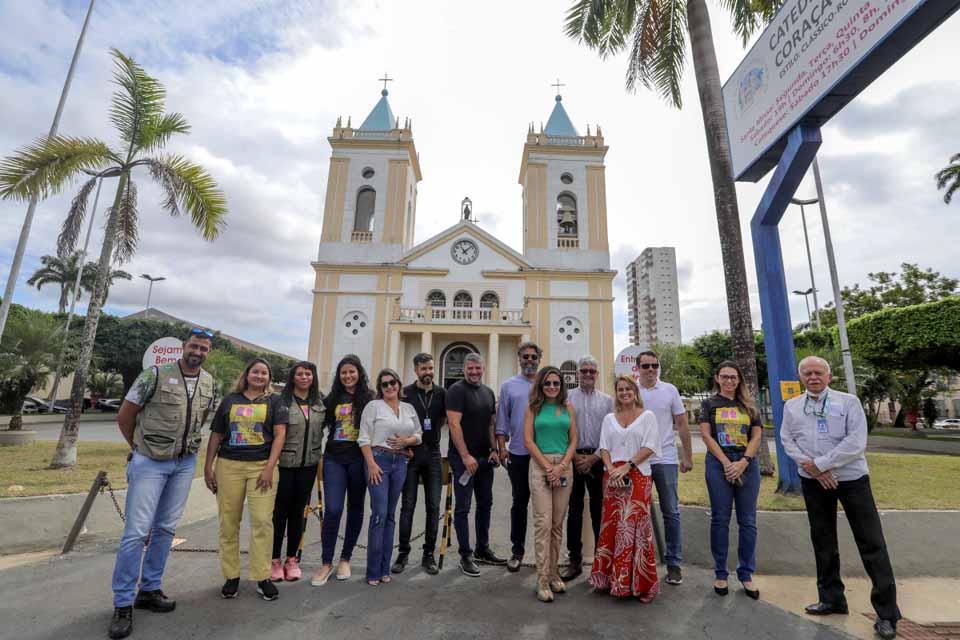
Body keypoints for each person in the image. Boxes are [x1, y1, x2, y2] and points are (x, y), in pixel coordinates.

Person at [108, 328, 216, 640]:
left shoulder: (209, 382)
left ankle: (150, 588)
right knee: (136, 532)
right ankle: (123, 603)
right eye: (194, 346)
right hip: (150, 461)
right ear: (184, 347)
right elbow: (125, 416)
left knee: (166, 528)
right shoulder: (154, 374)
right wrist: (139, 449)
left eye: (203, 348)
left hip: (184, 463)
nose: (198, 352)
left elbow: (202, 416)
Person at [782, 356, 900, 640]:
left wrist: (822, 464)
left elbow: (856, 442)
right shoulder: (792, 406)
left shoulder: (849, 402)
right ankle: (832, 598)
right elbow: (787, 440)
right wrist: (812, 467)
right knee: (823, 541)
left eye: (818, 372)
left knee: (871, 543)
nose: (813, 377)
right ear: (801, 377)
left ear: (829, 376)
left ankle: (887, 614)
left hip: (852, 480)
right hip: (814, 482)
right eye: (808, 373)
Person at [204, 358, 288, 602]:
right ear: (247, 374)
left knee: (262, 521)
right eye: (255, 372)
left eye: (264, 373)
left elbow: (281, 434)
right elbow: (217, 434)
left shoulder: (274, 401)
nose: (259, 376)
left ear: (269, 378)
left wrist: (270, 467)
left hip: (262, 467)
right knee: (229, 522)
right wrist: (208, 467)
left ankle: (262, 577)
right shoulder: (230, 400)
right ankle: (231, 575)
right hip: (229, 466)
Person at [589, 375, 661, 602]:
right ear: (616, 393)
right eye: (620, 389)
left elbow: (650, 446)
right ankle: (609, 580)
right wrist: (611, 469)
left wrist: (627, 467)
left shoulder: (647, 416)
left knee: (635, 529)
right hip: (612, 479)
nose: (624, 392)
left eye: (628, 388)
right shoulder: (609, 418)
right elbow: (604, 447)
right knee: (611, 527)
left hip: (638, 477)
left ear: (635, 391)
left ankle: (643, 585)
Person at [698, 360, 762, 600]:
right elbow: (706, 435)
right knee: (720, 519)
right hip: (719, 463)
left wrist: (743, 462)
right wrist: (727, 463)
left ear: (739, 380)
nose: (728, 381)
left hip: (746, 463)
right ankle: (721, 573)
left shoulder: (749, 405)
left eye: (733, 377)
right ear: (717, 378)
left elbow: (756, 437)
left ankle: (746, 574)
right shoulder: (709, 404)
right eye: (724, 376)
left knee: (748, 521)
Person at [310, 355, 375, 586]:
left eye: (352, 372)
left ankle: (345, 558)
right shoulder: (332, 399)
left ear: (359, 373)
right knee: (334, 509)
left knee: (356, 508)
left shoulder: (369, 398)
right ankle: (326, 562)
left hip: (359, 460)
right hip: (334, 459)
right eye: (344, 372)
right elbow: (316, 423)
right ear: (339, 376)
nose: (348, 376)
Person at [358, 368, 422, 585]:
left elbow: (419, 434)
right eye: (384, 384)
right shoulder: (373, 406)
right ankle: (373, 570)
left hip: (401, 462)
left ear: (399, 383)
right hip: (379, 460)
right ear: (380, 388)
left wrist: (407, 441)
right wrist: (372, 465)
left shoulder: (408, 408)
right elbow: (364, 438)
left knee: (391, 515)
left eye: (392, 382)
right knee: (380, 514)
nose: (389, 387)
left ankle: (385, 568)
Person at [636, 350, 694, 586]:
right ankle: (641, 562)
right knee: (638, 513)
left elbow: (681, 424)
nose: (651, 370)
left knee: (671, 511)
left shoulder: (669, 390)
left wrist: (687, 456)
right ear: (638, 368)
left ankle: (673, 563)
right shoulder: (631, 390)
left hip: (666, 459)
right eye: (646, 366)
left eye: (654, 365)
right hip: (639, 460)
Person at [447, 353, 505, 576]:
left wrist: (494, 450)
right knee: (462, 508)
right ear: (464, 369)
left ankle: (482, 548)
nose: (473, 372)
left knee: (485, 504)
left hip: (484, 459)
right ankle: (466, 554)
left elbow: (491, 425)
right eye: (469, 368)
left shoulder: (488, 392)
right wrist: (465, 456)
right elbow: (454, 424)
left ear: (483, 368)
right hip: (464, 461)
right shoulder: (456, 391)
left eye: (477, 368)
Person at [524, 366, 578, 602]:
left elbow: (574, 438)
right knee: (543, 523)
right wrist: (548, 468)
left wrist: (562, 465)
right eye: (548, 383)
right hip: (540, 466)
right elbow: (527, 440)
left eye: (556, 383)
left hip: (564, 467)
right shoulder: (533, 408)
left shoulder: (567, 407)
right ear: (541, 385)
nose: (552, 387)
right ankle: (542, 579)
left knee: (557, 524)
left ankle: (555, 573)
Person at [270, 361, 325, 582]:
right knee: (279, 513)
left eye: (308, 374)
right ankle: (273, 559)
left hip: (308, 465)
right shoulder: (280, 401)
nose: (304, 377)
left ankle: (291, 559)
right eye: (300, 374)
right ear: (293, 377)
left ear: (313, 377)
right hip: (284, 465)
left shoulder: (319, 402)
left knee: (298, 512)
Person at [561, 355, 613, 582]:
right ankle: (574, 559)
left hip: (598, 459)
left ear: (597, 374)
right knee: (573, 511)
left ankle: (601, 561)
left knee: (598, 510)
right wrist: (574, 458)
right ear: (578, 374)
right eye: (584, 371)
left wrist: (592, 458)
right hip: (572, 459)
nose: (588, 374)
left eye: (592, 371)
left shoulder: (607, 401)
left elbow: (611, 434)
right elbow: (564, 431)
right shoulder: (568, 398)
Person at [394, 353, 446, 575]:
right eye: (424, 369)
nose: (428, 373)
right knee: (408, 506)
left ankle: (428, 555)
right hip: (411, 455)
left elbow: (444, 419)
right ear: (416, 370)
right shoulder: (405, 393)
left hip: (433, 454)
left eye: (431, 368)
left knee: (434, 507)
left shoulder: (442, 393)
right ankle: (403, 553)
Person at [495, 341, 541, 571]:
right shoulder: (508, 386)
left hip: (544, 456)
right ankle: (517, 551)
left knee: (546, 507)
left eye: (533, 357)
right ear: (519, 359)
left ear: (539, 360)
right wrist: (502, 447)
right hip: (519, 454)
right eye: (526, 357)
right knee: (519, 503)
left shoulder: (547, 384)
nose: (529, 361)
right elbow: (502, 420)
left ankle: (545, 555)